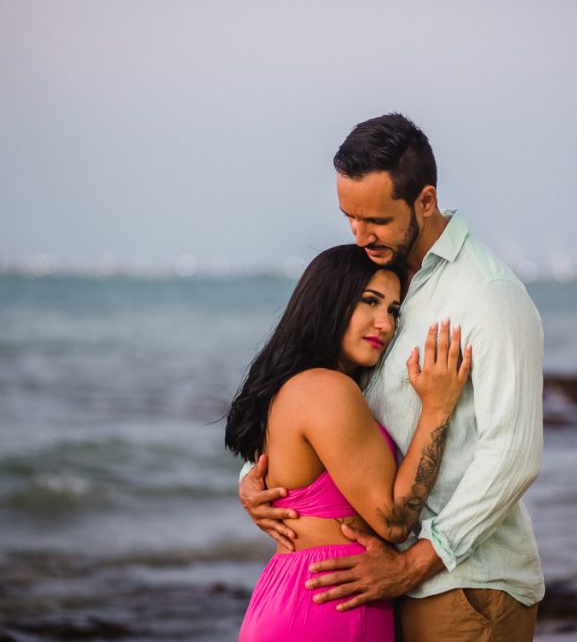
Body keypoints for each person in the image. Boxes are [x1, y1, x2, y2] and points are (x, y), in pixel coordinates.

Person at [239, 113, 545, 641]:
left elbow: (513, 455)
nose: (360, 235)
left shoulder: (487, 297)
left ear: (425, 201)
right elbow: (311, 387)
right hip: (382, 584)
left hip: (461, 585)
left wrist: (418, 562)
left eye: (375, 220)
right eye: (349, 218)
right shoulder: (379, 280)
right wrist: (256, 480)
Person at [225, 244, 472, 641]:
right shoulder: (327, 390)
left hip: (303, 594)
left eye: (392, 310)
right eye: (369, 302)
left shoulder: (294, 387)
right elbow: (393, 520)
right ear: (327, 303)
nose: (385, 324)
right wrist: (438, 409)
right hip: (327, 604)